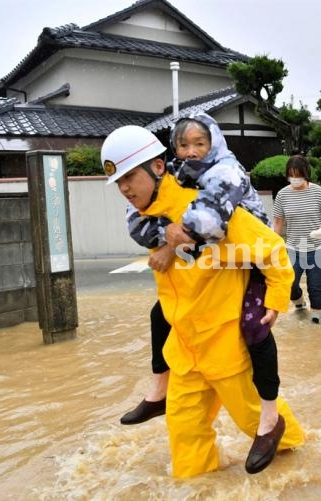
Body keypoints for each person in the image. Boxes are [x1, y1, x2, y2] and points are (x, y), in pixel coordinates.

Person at [101, 125, 304, 477]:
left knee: (262, 426)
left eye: (130, 177)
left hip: (227, 348)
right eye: (119, 182)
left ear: (158, 168)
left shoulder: (210, 211)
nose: (124, 188)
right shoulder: (150, 221)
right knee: (184, 438)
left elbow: (272, 250)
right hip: (185, 352)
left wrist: (275, 300)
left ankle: (302, 470)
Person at [272, 155, 321, 324]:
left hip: (317, 248)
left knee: (316, 286)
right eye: (291, 175)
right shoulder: (282, 195)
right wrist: (273, 244)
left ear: (306, 173)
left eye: (298, 174)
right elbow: (278, 221)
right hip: (293, 248)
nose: (295, 179)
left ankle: (316, 318)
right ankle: (299, 303)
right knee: (289, 283)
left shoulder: (318, 191)